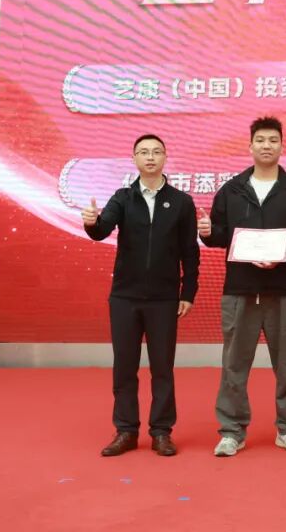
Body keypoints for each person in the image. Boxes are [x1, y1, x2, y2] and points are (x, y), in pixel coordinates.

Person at [198, 116, 286, 457]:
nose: (267, 146)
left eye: (273, 140)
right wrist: (207, 232)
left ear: (282, 146)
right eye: (261, 140)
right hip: (240, 290)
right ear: (250, 146)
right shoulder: (232, 189)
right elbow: (220, 235)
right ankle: (232, 432)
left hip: (284, 290)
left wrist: (283, 257)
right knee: (234, 366)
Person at [83, 134, 199, 457]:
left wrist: (188, 292)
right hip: (125, 297)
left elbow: (190, 252)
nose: (150, 157)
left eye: (156, 151)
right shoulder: (123, 198)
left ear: (165, 157)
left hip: (164, 298)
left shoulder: (181, 202)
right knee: (124, 367)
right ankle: (126, 430)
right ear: (134, 159)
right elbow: (102, 229)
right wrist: (91, 223)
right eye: (144, 152)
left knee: (162, 368)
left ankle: (161, 431)